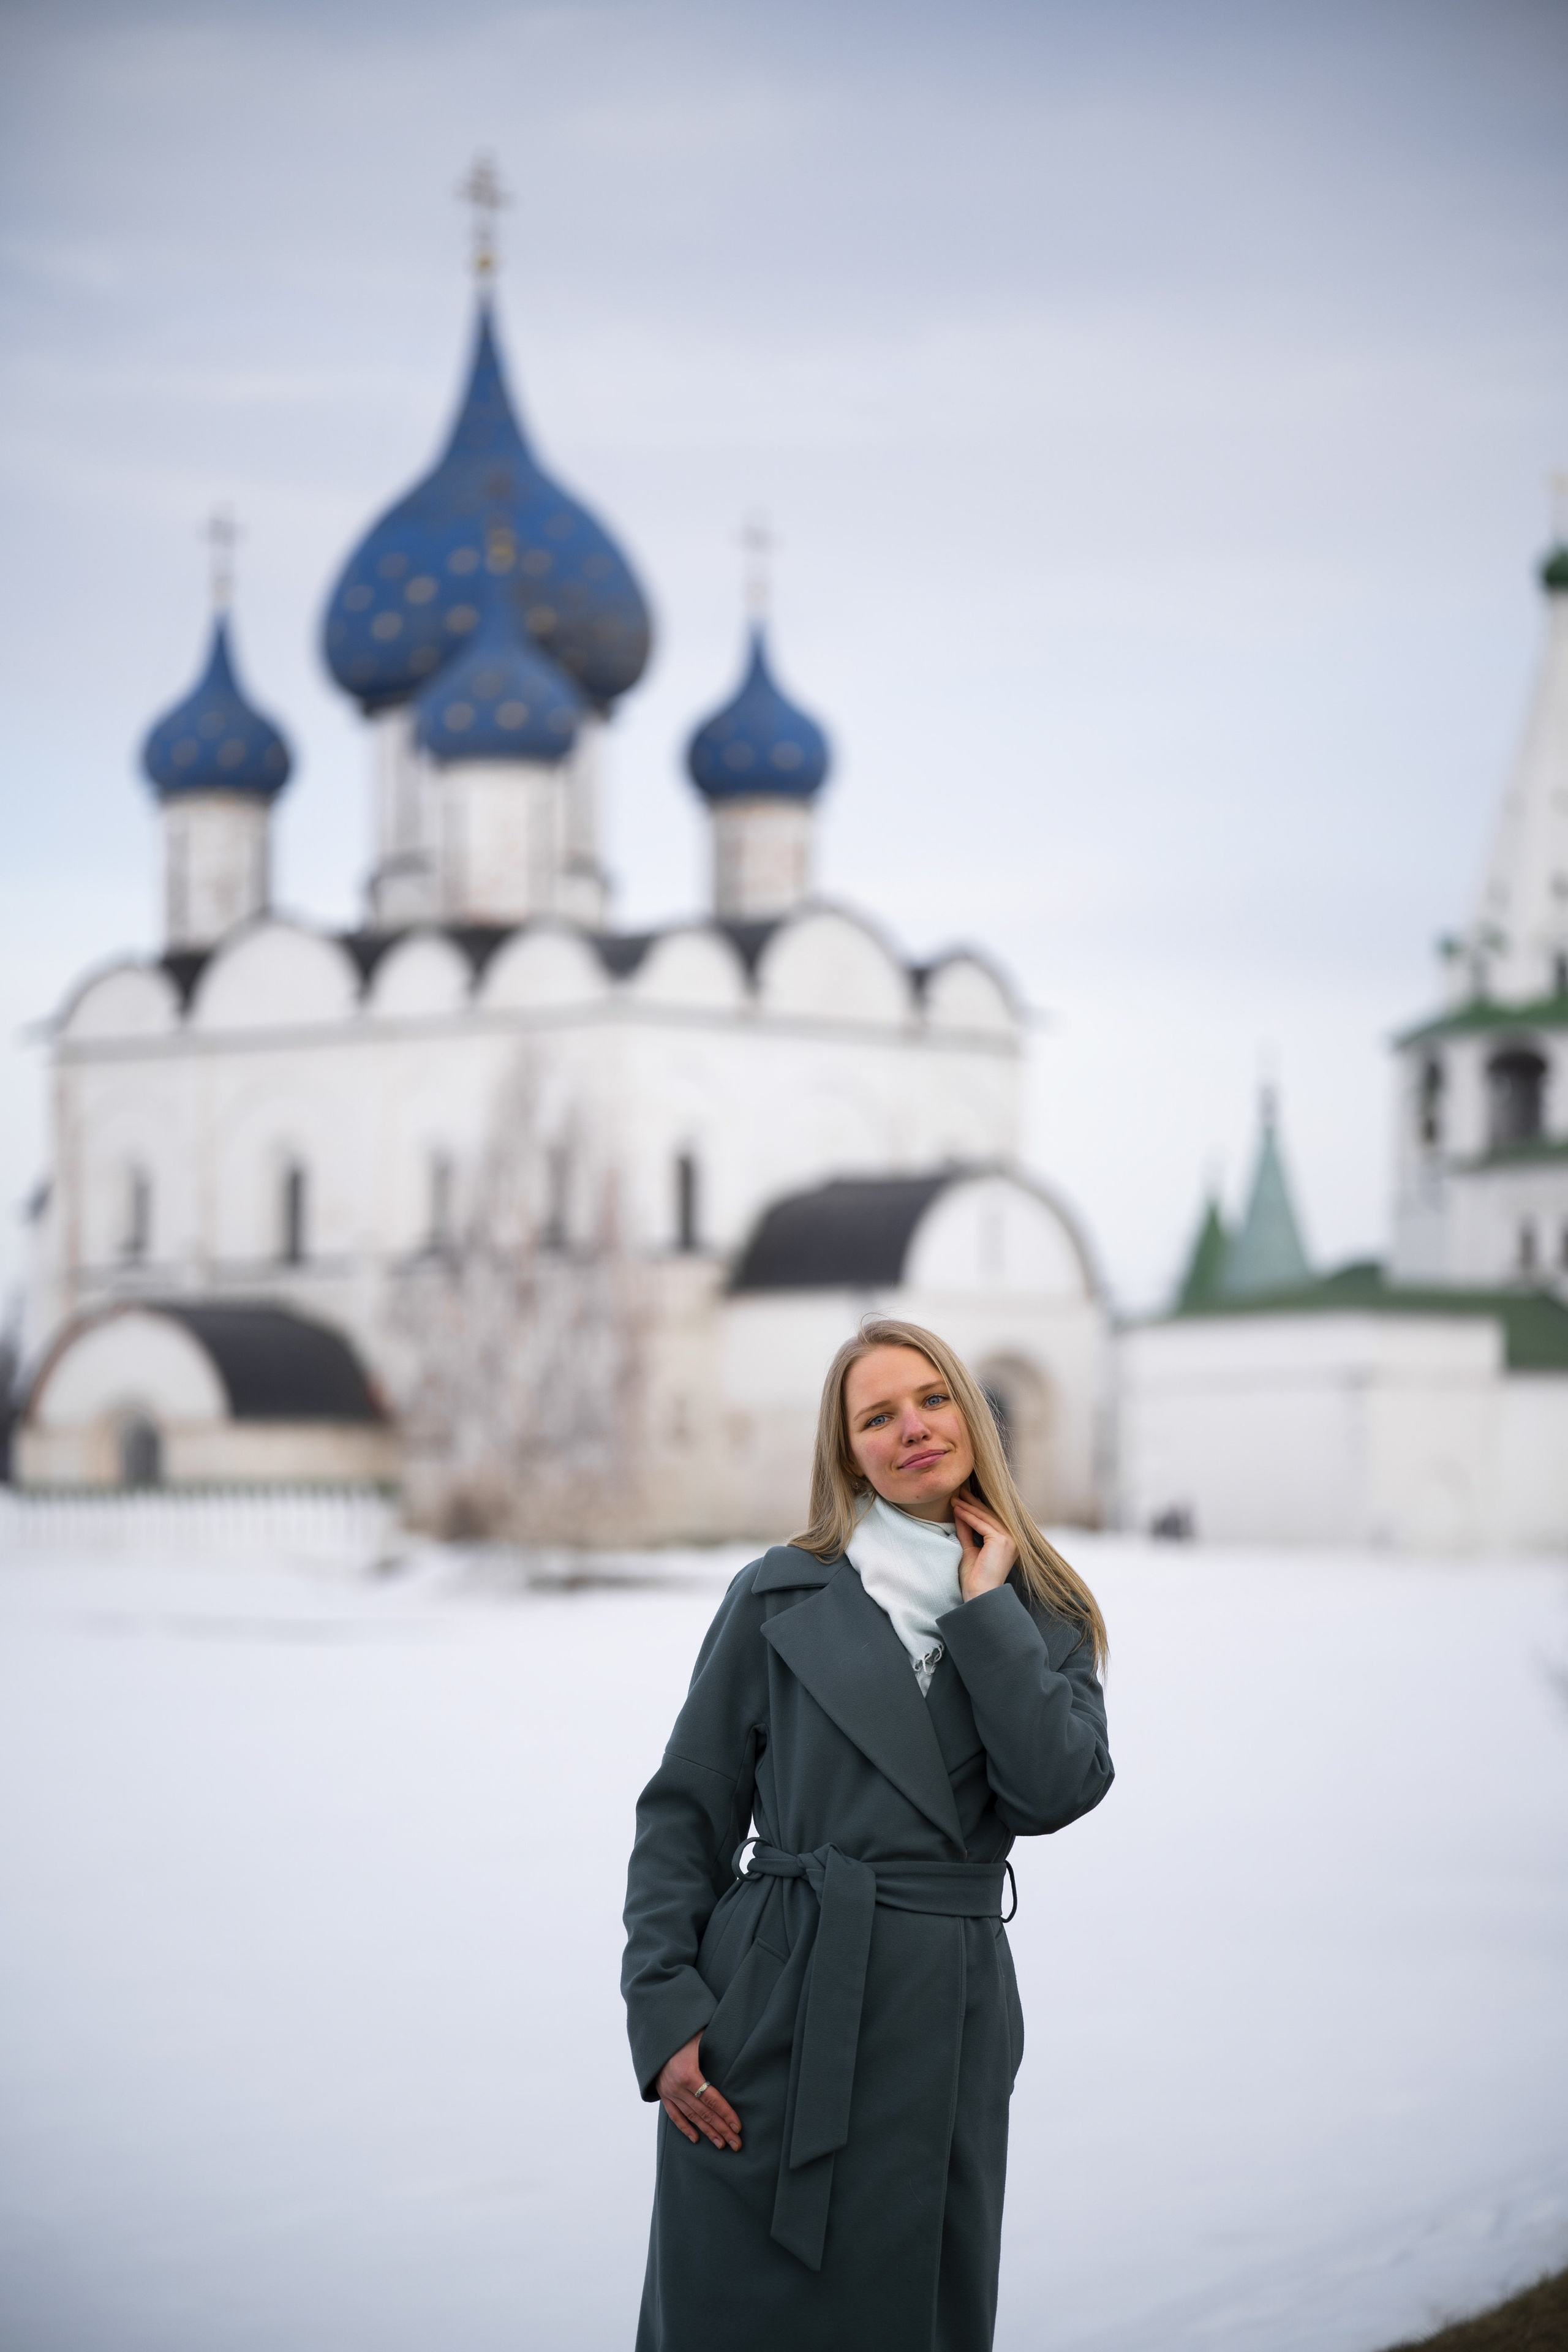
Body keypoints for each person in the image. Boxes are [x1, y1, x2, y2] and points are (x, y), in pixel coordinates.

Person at [621, 1317, 1113, 2352]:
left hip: (943, 2009)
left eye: (932, 1400)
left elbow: (1056, 1790)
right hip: (774, 2007)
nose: (913, 1430)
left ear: (972, 1417)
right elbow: (685, 1813)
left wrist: (987, 1616)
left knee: (913, 2314)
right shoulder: (780, 1594)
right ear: (848, 1453)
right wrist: (666, 2011)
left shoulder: (1043, 1608)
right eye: (877, 1417)